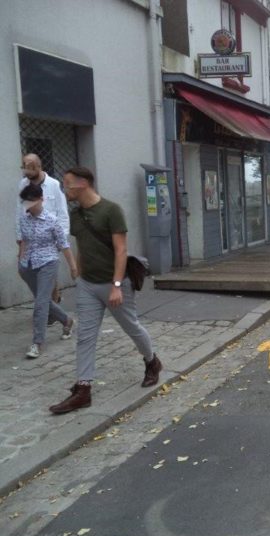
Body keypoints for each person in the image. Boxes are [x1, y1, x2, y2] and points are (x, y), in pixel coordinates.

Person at [48, 167, 162, 415]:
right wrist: (77, 267)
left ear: (82, 184)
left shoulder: (111, 211)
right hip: (88, 285)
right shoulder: (76, 215)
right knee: (85, 336)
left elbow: (121, 250)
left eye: (67, 184)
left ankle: (152, 361)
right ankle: (83, 389)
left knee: (131, 327)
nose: (64, 188)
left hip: (113, 284)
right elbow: (82, 244)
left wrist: (117, 285)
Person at [17, 183, 78, 359]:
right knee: (42, 300)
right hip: (28, 265)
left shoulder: (52, 220)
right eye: (26, 202)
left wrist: (73, 267)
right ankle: (67, 320)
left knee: (41, 303)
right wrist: (21, 263)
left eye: (32, 201)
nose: (29, 205)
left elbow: (64, 245)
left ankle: (37, 342)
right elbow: (23, 241)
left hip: (48, 263)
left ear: (41, 199)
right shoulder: (24, 219)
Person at [17, 154, 70, 308]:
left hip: (50, 236)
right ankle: (48, 305)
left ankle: (50, 307)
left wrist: (62, 239)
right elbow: (19, 210)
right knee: (29, 271)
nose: (28, 177)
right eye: (26, 173)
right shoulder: (22, 184)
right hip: (29, 234)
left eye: (31, 174)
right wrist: (19, 237)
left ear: (39, 167)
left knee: (48, 274)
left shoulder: (53, 184)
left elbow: (62, 211)